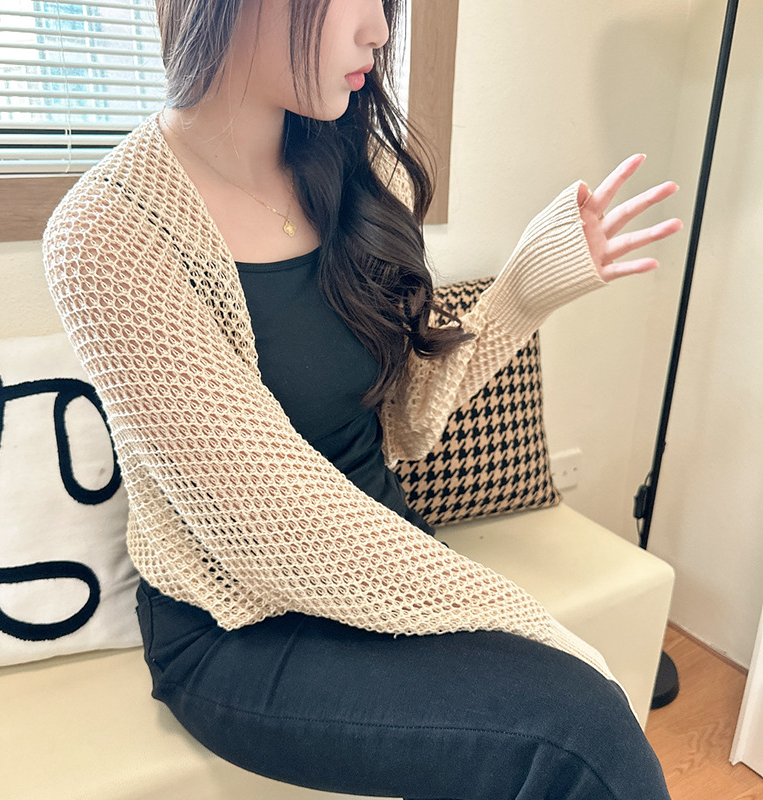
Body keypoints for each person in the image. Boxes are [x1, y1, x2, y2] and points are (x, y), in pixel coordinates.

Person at [43, 1, 683, 797]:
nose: (381, 30)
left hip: (386, 549)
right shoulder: (105, 233)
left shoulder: (355, 167)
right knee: (583, 736)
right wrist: (529, 622)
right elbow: (272, 525)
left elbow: (406, 417)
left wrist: (527, 284)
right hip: (241, 627)